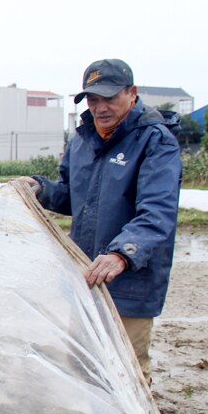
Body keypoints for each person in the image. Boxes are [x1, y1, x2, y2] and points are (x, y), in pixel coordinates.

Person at [21, 58, 182, 381]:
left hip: (129, 277)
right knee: (81, 360)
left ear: (132, 93)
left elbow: (157, 212)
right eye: (93, 99)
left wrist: (122, 254)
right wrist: (41, 189)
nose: (100, 107)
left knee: (126, 370)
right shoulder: (82, 141)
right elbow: (72, 197)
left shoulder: (155, 141)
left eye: (109, 97)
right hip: (85, 272)